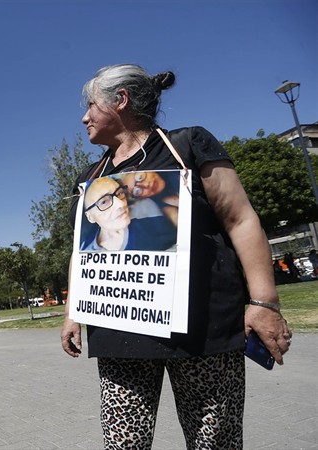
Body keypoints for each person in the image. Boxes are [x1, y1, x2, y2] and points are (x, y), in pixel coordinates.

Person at [60, 64, 292, 449]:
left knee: (214, 442)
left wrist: (264, 302)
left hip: (201, 332)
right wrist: (72, 313)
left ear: (121, 101)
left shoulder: (188, 145)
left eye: (90, 105)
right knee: (123, 443)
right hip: (121, 336)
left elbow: (241, 220)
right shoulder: (93, 177)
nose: (84, 117)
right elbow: (81, 252)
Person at [80, 176, 176, 251]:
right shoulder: (83, 251)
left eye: (120, 193)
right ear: (90, 217)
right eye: (104, 202)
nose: (121, 204)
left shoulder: (153, 227)